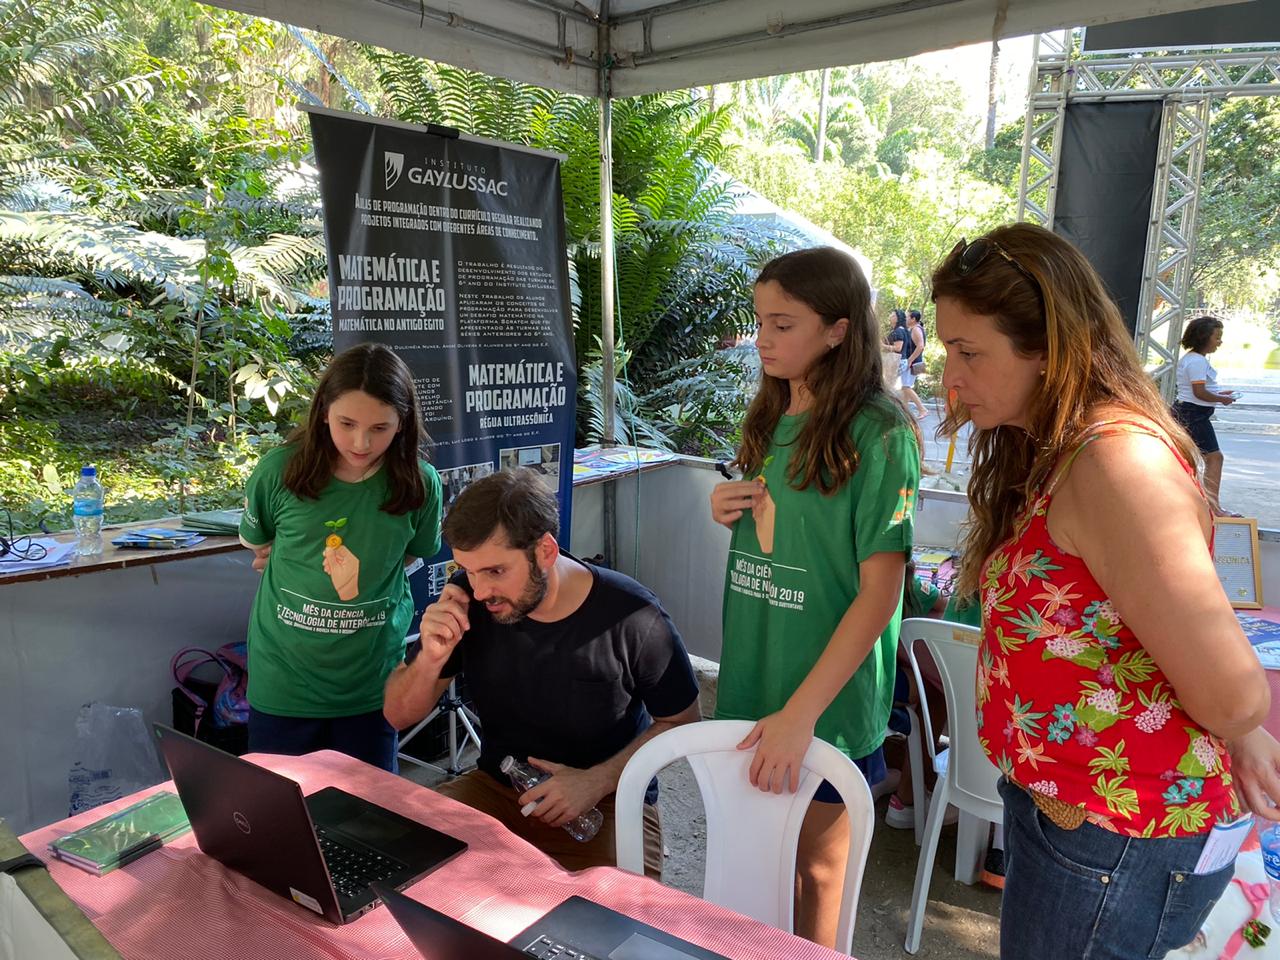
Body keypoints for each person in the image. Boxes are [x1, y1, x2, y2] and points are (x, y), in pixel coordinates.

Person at [932, 223, 1278, 960]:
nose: (949, 377)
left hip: (1113, 837)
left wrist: (1240, 724)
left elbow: (1233, 695)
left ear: (1047, 347)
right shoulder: (1063, 448)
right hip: (1074, 814)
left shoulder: (1118, 464)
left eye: (968, 352)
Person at [709, 246, 921, 949]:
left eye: (782, 324)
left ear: (837, 330)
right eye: (759, 322)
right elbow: (791, 536)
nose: (762, 340)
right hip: (755, 673)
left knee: (817, 872)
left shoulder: (880, 431)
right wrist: (727, 505)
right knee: (754, 861)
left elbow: (880, 593)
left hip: (824, 699)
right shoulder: (771, 413)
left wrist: (803, 713)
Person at [384, 468, 701, 877]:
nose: (480, 591)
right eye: (468, 569)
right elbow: (397, 715)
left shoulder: (632, 615)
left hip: (606, 800)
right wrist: (430, 657)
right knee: (398, 864)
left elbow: (682, 722)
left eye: (495, 571)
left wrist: (597, 780)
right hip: (497, 789)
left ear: (545, 552)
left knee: (618, 909)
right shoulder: (468, 598)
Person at [238, 342, 443, 772]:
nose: (361, 442)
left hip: (372, 685)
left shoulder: (420, 484)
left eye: (380, 428)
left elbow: (410, 555)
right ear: (323, 412)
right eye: (346, 423)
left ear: (403, 423)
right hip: (284, 682)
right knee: (279, 805)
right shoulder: (279, 470)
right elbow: (261, 545)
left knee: (370, 809)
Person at [1172, 315, 1237, 516]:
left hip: (1190, 412)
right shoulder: (1197, 361)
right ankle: (1214, 507)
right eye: (1217, 337)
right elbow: (1199, 392)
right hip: (1193, 414)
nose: (1220, 342)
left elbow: (1199, 389)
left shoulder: (1193, 359)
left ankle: (1204, 504)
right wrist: (1221, 399)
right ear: (1204, 337)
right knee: (1214, 458)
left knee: (1192, 459)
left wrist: (1218, 394)